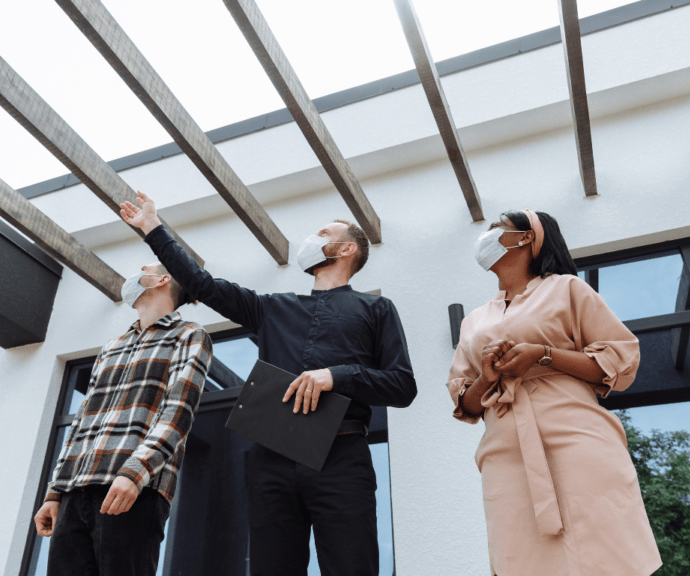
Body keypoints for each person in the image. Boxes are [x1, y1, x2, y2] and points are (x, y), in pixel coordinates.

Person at [119, 190, 417, 576]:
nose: (311, 239)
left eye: (322, 232)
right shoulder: (272, 307)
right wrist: (152, 228)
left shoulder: (377, 309)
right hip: (270, 459)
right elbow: (202, 284)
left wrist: (337, 375)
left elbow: (402, 385)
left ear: (345, 249)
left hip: (342, 458)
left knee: (352, 566)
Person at [447, 209, 662, 576]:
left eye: (498, 228)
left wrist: (543, 356)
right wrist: (487, 377)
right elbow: (466, 403)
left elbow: (620, 359)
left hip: (577, 439)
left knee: (603, 551)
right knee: (518, 559)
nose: (487, 236)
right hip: (504, 453)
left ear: (527, 237)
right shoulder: (474, 320)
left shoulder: (567, 289)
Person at [33, 262, 212, 576]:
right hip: (76, 490)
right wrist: (55, 492)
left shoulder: (190, 335)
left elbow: (178, 413)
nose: (137, 270)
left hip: (134, 489)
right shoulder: (111, 347)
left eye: (146, 266)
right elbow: (81, 422)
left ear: (163, 278)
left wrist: (134, 473)